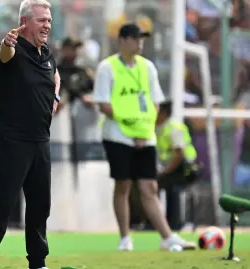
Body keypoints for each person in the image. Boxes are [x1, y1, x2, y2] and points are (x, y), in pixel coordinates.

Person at [92, 23, 196, 251]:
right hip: (118, 136)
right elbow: (102, 103)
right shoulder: (107, 68)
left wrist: (144, 129)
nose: (139, 43)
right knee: (123, 185)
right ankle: (125, 238)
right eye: (135, 38)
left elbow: (155, 103)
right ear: (122, 40)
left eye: (142, 39)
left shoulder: (147, 67)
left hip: (145, 136)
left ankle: (167, 237)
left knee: (149, 187)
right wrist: (128, 122)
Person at [0, 1, 60, 269]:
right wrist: (7, 42)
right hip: (12, 138)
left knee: (39, 206)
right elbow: (4, 53)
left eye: (48, 20)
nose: (47, 24)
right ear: (24, 22)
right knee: (3, 202)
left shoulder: (46, 53)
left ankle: (38, 263)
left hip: (40, 139)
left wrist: (55, 96)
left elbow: (55, 74)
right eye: (41, 20)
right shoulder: (13, 50)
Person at [156, 100, 202, 230]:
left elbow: (179, 155)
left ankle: (174, 224)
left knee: (173, 188)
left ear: (163, 114)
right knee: (152, 186)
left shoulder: (174, 128)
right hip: (172, 168)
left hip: (187, 168)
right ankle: (157, 222)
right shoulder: (159, 129)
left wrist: (164, 172)